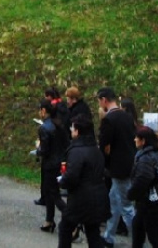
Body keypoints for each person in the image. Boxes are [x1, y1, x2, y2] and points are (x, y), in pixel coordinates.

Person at [58, 115, 109, 248]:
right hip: (98, 195)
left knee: (65, 228)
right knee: (92, 231)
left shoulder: (76, 151)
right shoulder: (96, 149)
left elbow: (72, 176)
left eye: (72, 128)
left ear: (77, 131)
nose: (71, 130)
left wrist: (63, 181)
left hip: (81, 198)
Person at [97, 87, 137, 248]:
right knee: (114, 201)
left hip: (118, 168)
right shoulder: (127, 117)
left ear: (104, 100)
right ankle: (108, 236)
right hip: (129, 163)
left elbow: (104, 145)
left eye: (99, 101)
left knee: (127, 207)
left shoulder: (109, 119)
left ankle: (138, 240)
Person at [127, 125, 158, 248]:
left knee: (155, 238)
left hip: (153, 204)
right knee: (138, 227)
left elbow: (142, 180)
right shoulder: (156, 154)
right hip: (156, 201)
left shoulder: (145, 159)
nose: (134, 140)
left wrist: (131, 194)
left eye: (137, 138)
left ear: (143, 141)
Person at [36, 99, 70, 233]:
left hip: (49, 165)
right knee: (50, 193)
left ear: (44, 111)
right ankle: (49, 220)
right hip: (60, 162)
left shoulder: (44, 128)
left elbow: (44, 150)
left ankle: (72, 220)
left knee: (54, 194)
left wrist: (38, 147)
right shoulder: (59, 124)